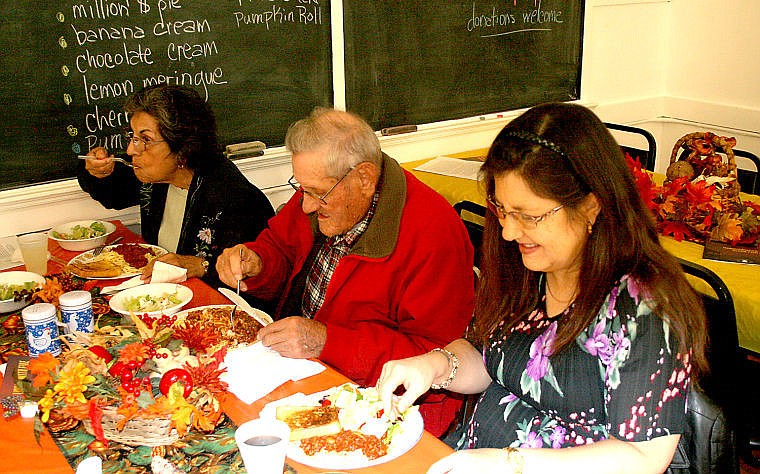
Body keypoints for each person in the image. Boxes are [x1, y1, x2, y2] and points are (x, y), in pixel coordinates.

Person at [376, 102, 708, 473]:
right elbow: (489, 358)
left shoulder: (643, 305)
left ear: (591, 206)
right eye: (502, 209)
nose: (508, 231)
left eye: (529, 216)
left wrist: (511, 462)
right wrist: (435, 365)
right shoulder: (529, 268)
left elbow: (642, 457)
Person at [216, 107, 475, 436]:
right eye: (302, 189)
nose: (306, 205)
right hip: (301, 370)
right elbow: (279, 246)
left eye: (316, 194)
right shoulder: (324, 188)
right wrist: (256, 263)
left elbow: (434, 355)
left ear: (364, 179)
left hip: (383, 403)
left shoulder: (433, 235)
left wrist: (326, 341)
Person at [78, 84, 275, 286]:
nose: (130, 150)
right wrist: (99, 171)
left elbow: (252, 281)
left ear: (183, 148)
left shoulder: (235, 200)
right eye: (132, 136)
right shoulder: (158, 177)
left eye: (145, 139)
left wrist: (201, 266)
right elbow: (112, 194)